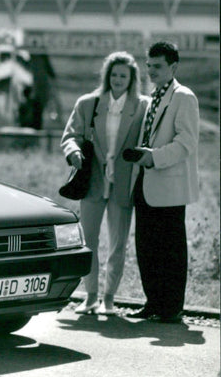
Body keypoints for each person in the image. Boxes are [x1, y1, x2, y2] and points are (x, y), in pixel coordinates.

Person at [61, 51, 148, 315]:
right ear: (107, 75)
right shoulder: (88, 103)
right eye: (114, 74)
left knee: (118, 243)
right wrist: (73, 151)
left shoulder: (143, 105)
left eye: (123, 75)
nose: (118, 79)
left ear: (132, 78)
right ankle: (90, 297)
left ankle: (109, 298)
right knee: (89, 240)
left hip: (123, 183)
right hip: (93, 181)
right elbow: (70, 135)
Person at [128, 41, 200, 324]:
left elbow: (187, 143)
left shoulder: (184, 97)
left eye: (157, 66)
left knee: (170, 248)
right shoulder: (153, 96)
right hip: (145, 181)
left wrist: (153, 158)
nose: (151, 71)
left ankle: (171, 308)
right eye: (149, 66)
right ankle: (153, 302)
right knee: (146, 246)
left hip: (168, 183)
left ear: (173, 67)